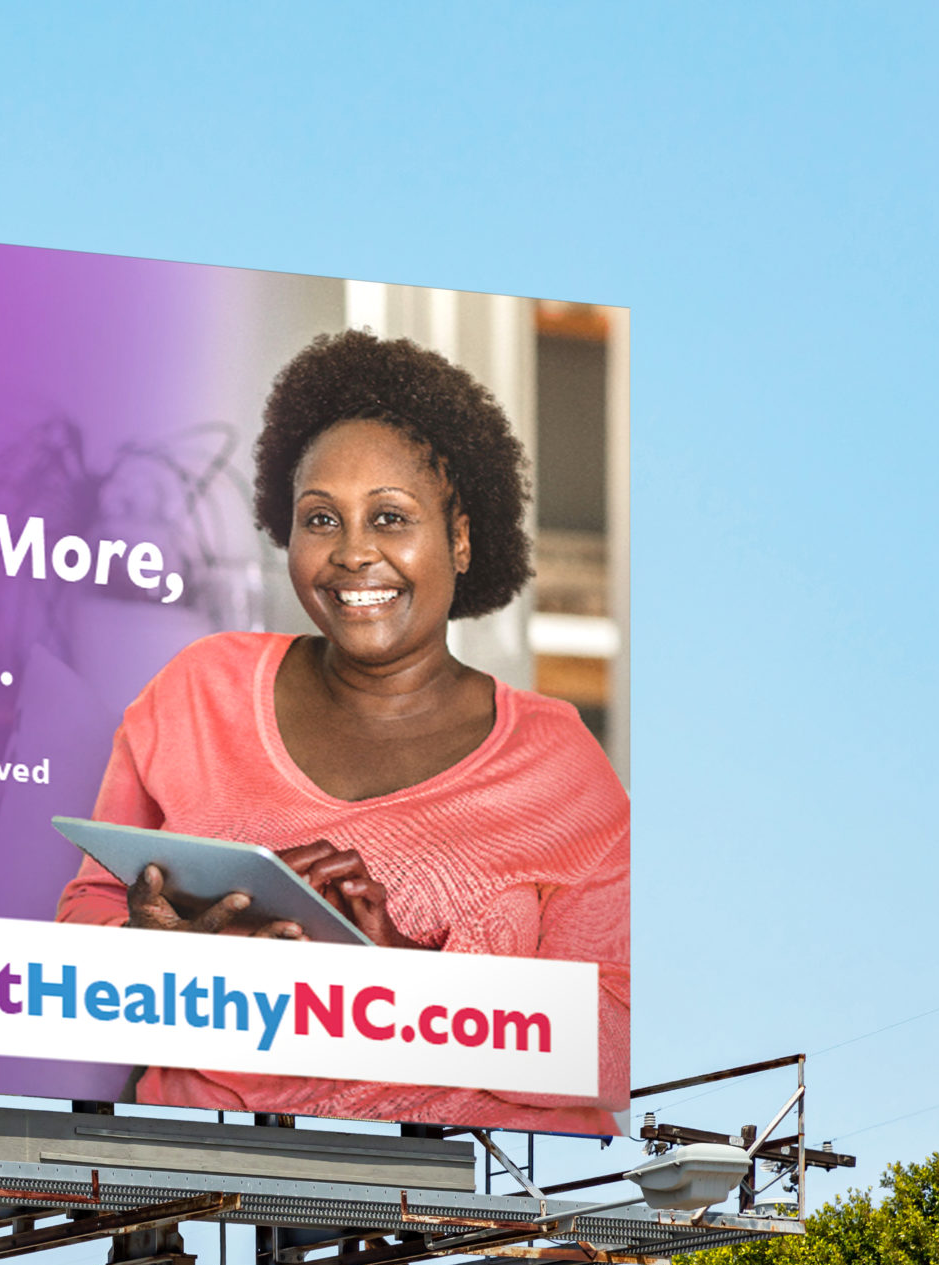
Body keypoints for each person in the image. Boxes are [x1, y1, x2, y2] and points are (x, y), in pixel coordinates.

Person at [56, 330, 627, 1132]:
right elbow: (82, 923)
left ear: (460, 537)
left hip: (471, 1210)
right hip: (203, 1178)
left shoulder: (560, 766)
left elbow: (623, 1041)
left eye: (390, 517)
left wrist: (405, 990)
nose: (354, 553)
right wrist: (158, 951)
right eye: (321, 519)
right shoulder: (199, 690)